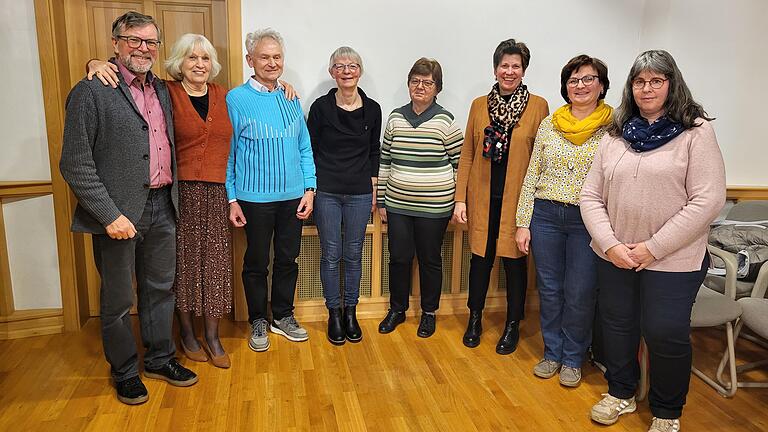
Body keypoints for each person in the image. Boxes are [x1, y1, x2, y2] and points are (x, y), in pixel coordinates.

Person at [580, 50, 725, 432]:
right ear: (631, 87)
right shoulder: (615, 133)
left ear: (671, 84)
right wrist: (611, 245)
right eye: (640, 81)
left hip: (673, 261)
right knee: (617, 326)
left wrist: (652, 247)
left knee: (664, 332)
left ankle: (666, 411)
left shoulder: (696, 131)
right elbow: (591, 195)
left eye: (656, 81)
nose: (647, 88)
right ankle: (621, 393)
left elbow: (708, 199)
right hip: (615, 255)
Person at [59, 11, 197, 405]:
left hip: (163, 206)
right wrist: (109, 215)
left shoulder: (164, 91)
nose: (143, 48)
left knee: (159, 291)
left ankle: (159, 359)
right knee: (118, 299)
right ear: (116, 42)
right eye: (134, 40)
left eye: (151, 42)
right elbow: (75, 163)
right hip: (117, 215)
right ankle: (124, 371)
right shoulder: (91, 90)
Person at [514, 55, 612, 387]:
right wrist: (522, 222)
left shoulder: (613, 127)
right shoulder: (550, 123)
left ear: (601, 85)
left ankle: (573, 357)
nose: (580, 86)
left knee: (580, 291)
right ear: (565, 86)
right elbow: (532, 173)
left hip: (588, 219)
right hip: (545, 216)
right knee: (551, 289)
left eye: (588, 79)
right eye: (573, 80)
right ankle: (552, 352)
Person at [453, 39, 548, 354]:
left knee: (514, 264)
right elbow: (467, 154)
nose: (509, 71)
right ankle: (475, 318)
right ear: (495, 69)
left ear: (523, 70)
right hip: (482, 198)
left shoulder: (538, 106)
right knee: (480, 259)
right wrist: (460, 199)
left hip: (517, 201)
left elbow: (540, 159)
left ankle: (512, 325)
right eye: (504, 65)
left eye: (515, 66)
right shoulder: (479, 105)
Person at [226, 28, 316, 352]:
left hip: (293, 197)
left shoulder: (291, 97)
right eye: (264, 57)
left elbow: (304, 147)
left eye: (277, 57)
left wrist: (309, 189)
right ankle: (257, 320)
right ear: (250, 60)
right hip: (255, 199)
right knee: (256, 262)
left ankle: (283, 316)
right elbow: (229, 152)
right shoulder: (235, 99)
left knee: (288, 260)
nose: (272, 62)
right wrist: (232, 197)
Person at [377, 58, 463, 338]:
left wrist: (456, 201)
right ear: (408, 84)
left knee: (430, 260)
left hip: (435, 207)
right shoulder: (395, 117)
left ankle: (428, 313)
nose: (420, 87)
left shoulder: (445, 121)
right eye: (415, 81)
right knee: (399, 258)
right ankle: (397, 309)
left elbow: (459, 163)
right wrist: (380, 201)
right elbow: (385, 160)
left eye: (428, 82)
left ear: (437, 88)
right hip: (398, 204)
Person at [307, 47, 381, 345]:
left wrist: (374, 188)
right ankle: (333, 314)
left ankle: (351, 312)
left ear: (359, 71)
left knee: (353, 254)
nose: (347, 71)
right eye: (340, 66)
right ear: (332, 73)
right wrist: (310, 189)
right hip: (327, 191)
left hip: (360, 192)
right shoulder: (320, 108)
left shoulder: (373, 108)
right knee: (331, 254)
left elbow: (374, 151)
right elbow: (309, 150)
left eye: (352, 66)